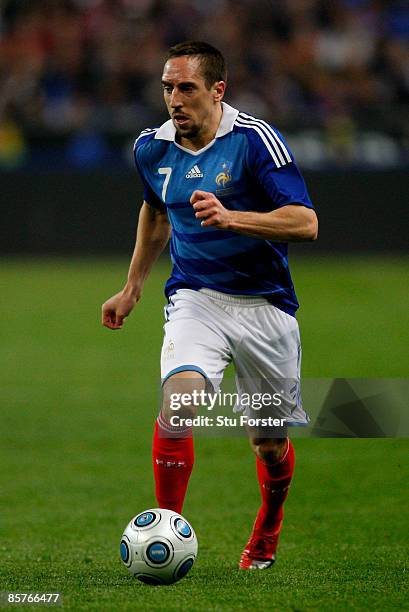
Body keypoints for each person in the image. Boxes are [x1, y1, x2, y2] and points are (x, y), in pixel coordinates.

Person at [102, 41, 318, 570]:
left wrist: (233, 217)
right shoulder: (151, 148)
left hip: (266, 308)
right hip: (196, 298)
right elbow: (156, 212)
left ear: (217, 90)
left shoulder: (255, 141)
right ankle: (166, 528)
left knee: (269, 444)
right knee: (179, 404)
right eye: (167, 87)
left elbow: (305, 222)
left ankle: (268, 524)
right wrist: (132, 286)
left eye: (187, 88)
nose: (174, 99)